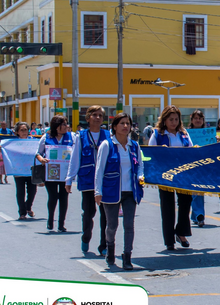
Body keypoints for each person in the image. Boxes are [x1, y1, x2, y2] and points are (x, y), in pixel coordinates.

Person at [94, 113, 144, 270]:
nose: (125, 126)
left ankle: (127, 256)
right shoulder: (107, 145)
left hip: (130, 191)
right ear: (114, 126)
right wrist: (97, 191)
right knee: (112, 225)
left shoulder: (134, 145)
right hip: (111, 191)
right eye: (122, 123)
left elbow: (140, 165)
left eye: (128, 123)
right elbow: (99, 169)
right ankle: (110, 250)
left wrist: (141, 176)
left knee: (129, 224)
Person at [65, 106, 111, 255]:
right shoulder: (81, 136)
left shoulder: (108, 135)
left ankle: (104, 245)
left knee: (106, 214)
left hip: (105, 180)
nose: (97, 118)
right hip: (88, 179)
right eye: (94, 115)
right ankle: (86, 236)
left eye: (100, 115)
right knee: (89, 212)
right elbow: (75, 158)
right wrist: (69, 178)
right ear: (88, 117)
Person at [148, 105, 194, 251]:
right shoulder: (157, 134)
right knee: (167, 207)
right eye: (170, 119)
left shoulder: (184, 134)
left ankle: (181, 232)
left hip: (183, 175)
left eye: (176, 119)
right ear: (164, 120)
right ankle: (169, 240)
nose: (173, 122)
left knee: (186, 203)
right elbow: (151, 154)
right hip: (165, 176)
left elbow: (192, 151)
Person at [36, 115, 75, 232]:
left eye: (66, 124)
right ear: (57, 126)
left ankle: (61, 224)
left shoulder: (71, 137)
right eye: (63, 124)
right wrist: (42, 160)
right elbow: (38, 153)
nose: (66, 126)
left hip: (65, 173)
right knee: (53, 197)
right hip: (51, 172)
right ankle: (50, 220)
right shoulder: (46, 137)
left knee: (64, 198)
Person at [13, 122, 38, 220]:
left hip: (31, 170)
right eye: (21, 130)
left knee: (32, 191)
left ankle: (28, 207)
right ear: (17, 132)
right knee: (20, 192)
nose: (24, 132)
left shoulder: (34, 141)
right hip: (18, 171)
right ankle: (22, 213)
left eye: (25, 130)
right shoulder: (13, 143)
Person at [188, 110, 207, 227]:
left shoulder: (208, 134)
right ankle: (197, 214)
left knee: (198, 191)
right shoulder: (185, 134)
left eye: (200, 118)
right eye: (195, 118)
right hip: (189, 165)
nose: (198, 120)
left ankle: (199, 214)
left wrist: (216, 141)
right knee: (193, 191)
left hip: (204, 165)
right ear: (191, 120)